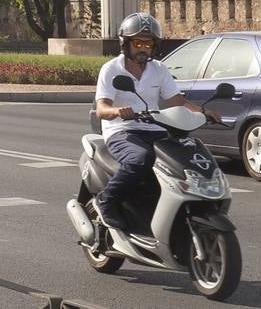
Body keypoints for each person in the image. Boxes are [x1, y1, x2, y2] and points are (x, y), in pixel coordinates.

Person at [92, 12, 220, 231]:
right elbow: (101, 109)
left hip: (154, 127)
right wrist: (117, 111)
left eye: (148, 43)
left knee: (181, 160)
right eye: (138, 42)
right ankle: (107, 201)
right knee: (140, 159)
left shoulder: (158, 69)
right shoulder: (111, 69)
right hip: (122, 130)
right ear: (126, 43)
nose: (144, 48)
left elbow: (177, 100)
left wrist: (203, 111)